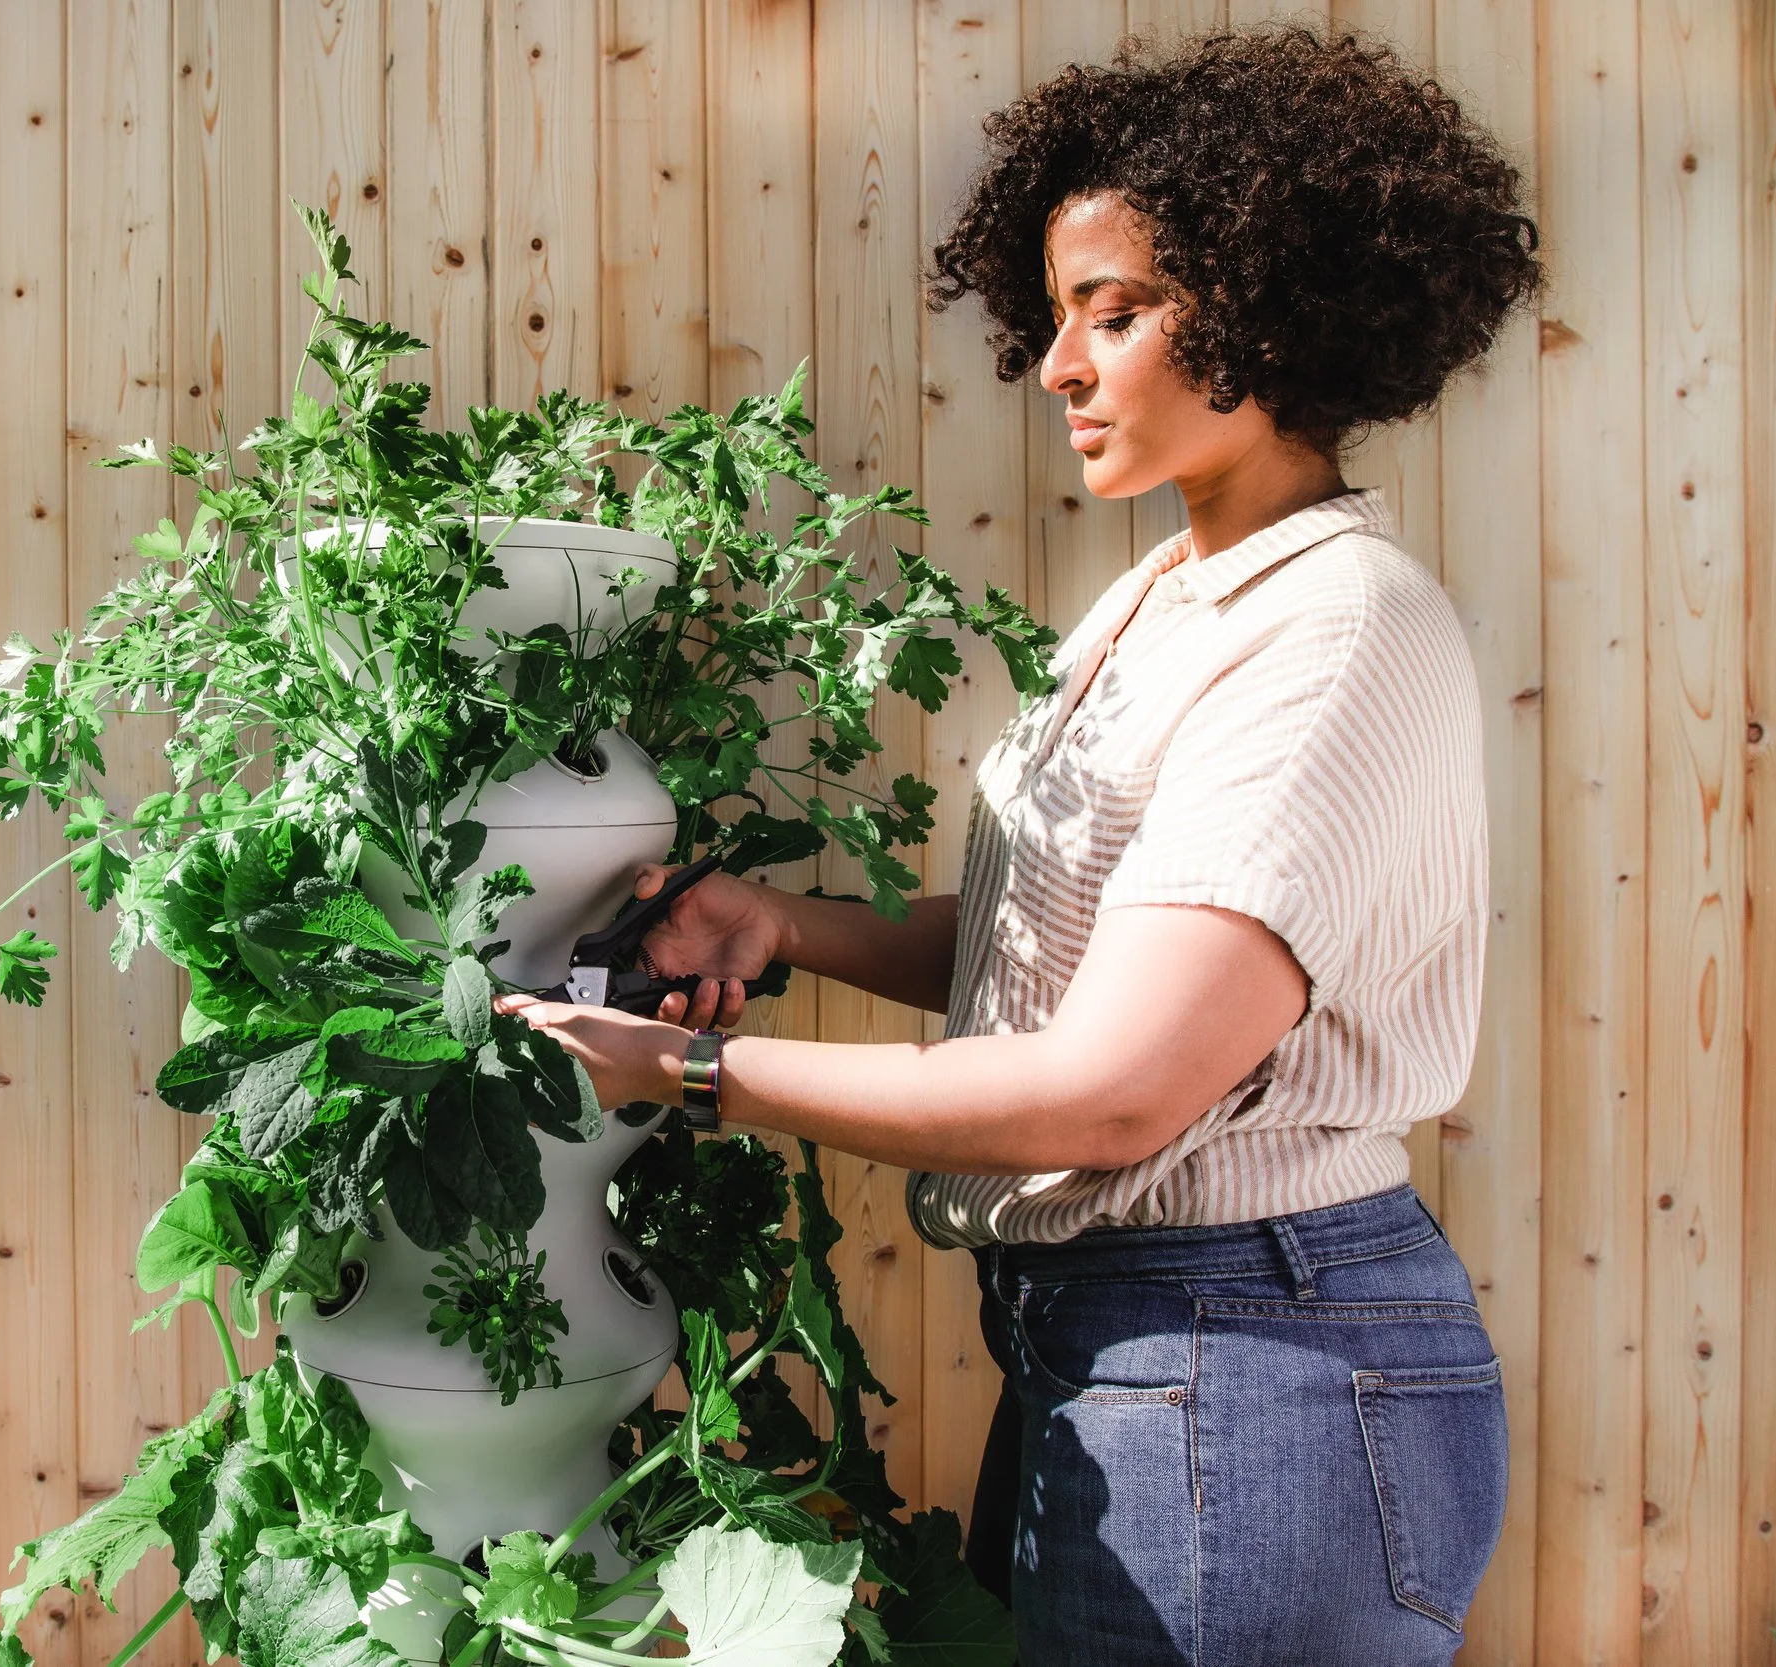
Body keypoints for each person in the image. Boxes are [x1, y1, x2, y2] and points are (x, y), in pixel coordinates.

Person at [493, 24, 1542, 1666]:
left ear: (1275, 303)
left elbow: (1117, 1085)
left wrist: (687, 1079)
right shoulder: (1165, 603)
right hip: (1138, 1350)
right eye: (1055, 316)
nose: (1058, 365)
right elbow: (1066, 947)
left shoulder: (1332, 632)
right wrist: (784, 923)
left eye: (1116, 315)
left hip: (1247, 1365)